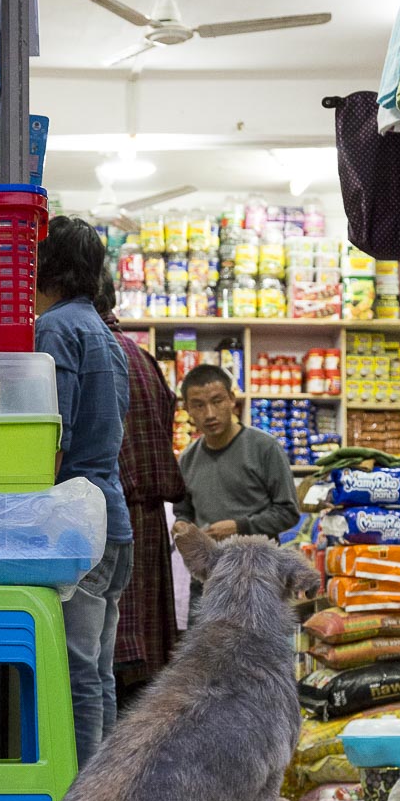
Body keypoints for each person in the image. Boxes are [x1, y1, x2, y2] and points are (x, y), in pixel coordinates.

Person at [34, 217, 133, 767]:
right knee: (98, 672)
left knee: (75, 674)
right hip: (112, 522)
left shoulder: (56, 329)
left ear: (45, 267)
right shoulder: (105, 332)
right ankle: (105, 796)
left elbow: (54, 438)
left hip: (76, 525)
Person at [94, 268, 186, 697]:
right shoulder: (140, 356)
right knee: (142, 673)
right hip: (145, 525)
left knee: (106, 669)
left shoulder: (87, 349)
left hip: (110, 523)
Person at [173, 363, 300, 615]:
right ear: (187, 409)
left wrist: (240, 526)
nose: (209, 413)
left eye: (217, 401)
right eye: (198, 405)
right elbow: (183, 511)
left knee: (260, 651)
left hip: (259, 576)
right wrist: (183, 527)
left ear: (232, 399)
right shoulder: (187, 459)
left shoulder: (264, 448)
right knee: (209, 652)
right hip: (209, 578)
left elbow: (288, 512)